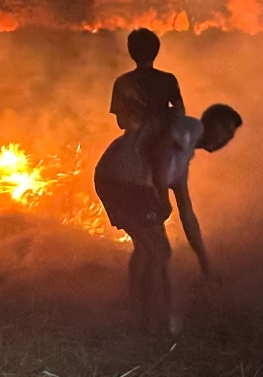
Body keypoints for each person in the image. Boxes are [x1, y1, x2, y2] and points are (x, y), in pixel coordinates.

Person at [94, 103, 242, 337]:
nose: (225, 139)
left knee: (146, 249)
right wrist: (162, 196)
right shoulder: (191, 127)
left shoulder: (182, 157)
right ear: (211, 122)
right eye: (225, 130)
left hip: (111, 177)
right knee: (160, 252)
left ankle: (138, 318)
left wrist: (205, 264)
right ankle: (151, 326)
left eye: (230, 136)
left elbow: (187, 214)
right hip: (125, 181)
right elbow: (160, 149)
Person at [110, 29, 184, 191]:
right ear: (156, 51)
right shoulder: (168, 80)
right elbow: (180, 114)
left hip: (131, 145)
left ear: (131, 52)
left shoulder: (123, 82)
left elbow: (121, 122)